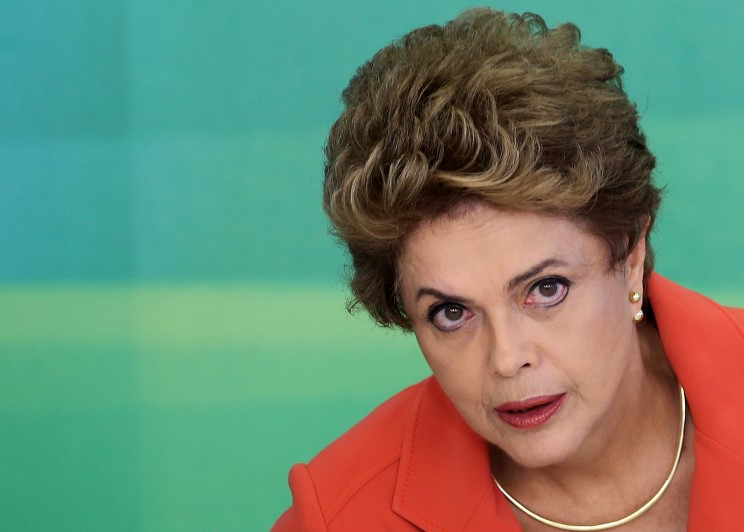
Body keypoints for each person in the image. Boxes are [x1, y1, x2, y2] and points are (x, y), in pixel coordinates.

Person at [274, 8, 744, 531]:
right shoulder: (341, 516)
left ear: (630, 259)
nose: (506, 358)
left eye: (546, 289)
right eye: (451, 312)